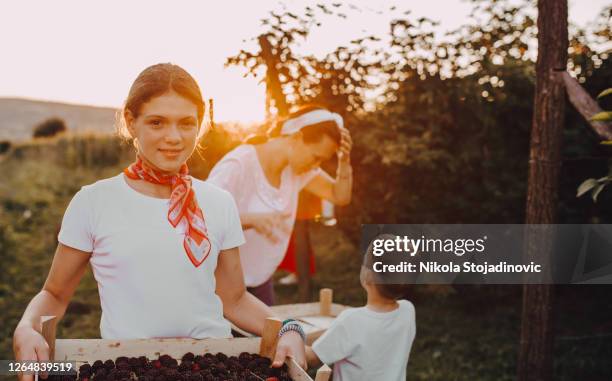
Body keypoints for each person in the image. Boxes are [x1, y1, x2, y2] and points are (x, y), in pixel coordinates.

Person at [12, 63, 306, 380]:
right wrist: (27, 328)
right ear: (130, 121)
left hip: (209, 367)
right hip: (129, 368)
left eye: (186, 123)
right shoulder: (93, 202)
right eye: (157, 122)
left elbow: (234, 299)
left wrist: (288, 329)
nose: (173, 137)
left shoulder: (219, 203)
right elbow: (55, 294)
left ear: (200, 125)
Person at [207, 105, 353, 305]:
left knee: (271, 335)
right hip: (217, 286)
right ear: (296, 138)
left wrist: (344, 162)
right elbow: (201, 218)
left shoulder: (296, 171)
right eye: (316, 157)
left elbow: (340, 195)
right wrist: (251, 220)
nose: (316, 166)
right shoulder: (237, 165)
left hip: (260, 281)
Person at [305, 235, 416, 380]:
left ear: (368, 276)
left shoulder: (351, 320)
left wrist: (290, 333)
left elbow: (312, 358)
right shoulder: (408, 311)